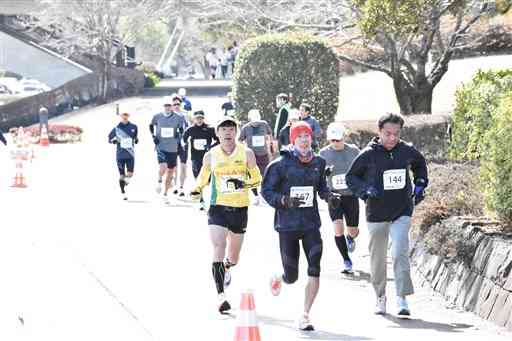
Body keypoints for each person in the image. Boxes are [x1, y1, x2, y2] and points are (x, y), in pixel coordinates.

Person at [346, 113, 428, 316]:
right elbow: (351, 177)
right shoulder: (368, 154)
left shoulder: (407, 151)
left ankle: (402, 297)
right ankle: (380, 297)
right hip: (376, 212)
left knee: (399, 252)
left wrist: (419, 185)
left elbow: (420, 165)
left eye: (396, 134)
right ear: (379, 131)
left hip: (402, 209)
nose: (392, 138)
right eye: (388, 134)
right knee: (378, 257)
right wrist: (365, 191)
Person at [262, 121, 341, 331]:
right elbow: (266, 192)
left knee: (315, 268)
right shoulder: (280, 164)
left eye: (307, 136)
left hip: (310, 224)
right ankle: (280, 277)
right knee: (292, 275)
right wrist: (284, 201)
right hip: (287, 225)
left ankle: (305, 314)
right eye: (300, 137)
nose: (305, 140)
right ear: (293, 140)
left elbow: (322, 188)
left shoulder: (319, 162)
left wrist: (330, 197)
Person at [190, 117, 262, 313]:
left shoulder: (246, 153)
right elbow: (203, 178)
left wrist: (244, 184)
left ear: (236, 132)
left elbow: (257, 179)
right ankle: (221, 296)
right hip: (218, 207)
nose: (228, 132)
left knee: (233, 257)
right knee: (219, 245)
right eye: (224, 129)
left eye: (231, 129)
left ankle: (227, 268)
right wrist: (196, 189)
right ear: (218, 134)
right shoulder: (210, 156)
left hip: (239, 208)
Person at [319, 122, 361, 274]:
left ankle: (351, 238)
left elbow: (363, 168)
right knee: (338, 229)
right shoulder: (323, 153)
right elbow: (318, 174)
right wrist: (325, 173)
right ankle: (346, 260)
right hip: (334, 197)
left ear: (344, 137)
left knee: (353, 230)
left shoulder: (354, 151)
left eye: (338, 140)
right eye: (332, 140)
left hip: (351, 196)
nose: (335, 143)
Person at [150, 95, 188, 203]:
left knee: (170, 171)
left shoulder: (179, 117)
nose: (167, 107)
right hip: (161, 146)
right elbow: (151, 125)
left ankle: (165, 193)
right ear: (163, 106)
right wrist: (154, 137)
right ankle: (159, 180)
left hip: (173, 147)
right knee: (163, 167)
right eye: (165, 106)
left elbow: (182, 129)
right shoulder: (157, 116)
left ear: (172, 107)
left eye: (169, 106)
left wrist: (179, 134)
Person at [182, 110, 219, 210]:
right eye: (197, 118)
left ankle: (212, 199)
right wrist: (184, 144)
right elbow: (183, 140)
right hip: (195, 158)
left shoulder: (210, 129)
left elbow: (218, 140)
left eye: (201, 118)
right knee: (199, 180)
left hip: (208, 158)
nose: (199, 120)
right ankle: (201, 201)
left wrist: (210, 146)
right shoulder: (190, 129)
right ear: (194, 119)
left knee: (209, 180)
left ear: (203, 118)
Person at [238, 109, 273, 205]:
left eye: (257, 121)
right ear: (250, 120)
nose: (256, 123)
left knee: (264, 175)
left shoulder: (264, 124)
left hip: (263, 154)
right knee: (252, 176)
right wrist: (244, 150)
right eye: (254, 122)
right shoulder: (246, 128)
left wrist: (270, 148)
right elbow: (240, 140)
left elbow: (269, 135)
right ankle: (256, 196)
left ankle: (263, 195)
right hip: (252, 156)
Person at [108, 112, 138, 200]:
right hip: (120, 155)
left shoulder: (134, 127)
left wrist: (136, 140)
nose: (125, 117)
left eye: (126, 115)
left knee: (130, 174)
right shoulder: (116, 128)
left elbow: (135, 137)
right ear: (120, 117)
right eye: (123, 115)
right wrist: (113, 141)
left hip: (130, 154)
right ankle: (123, 192)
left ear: (128, 116)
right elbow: (109, 138)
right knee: (122, 175)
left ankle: (124, 183)